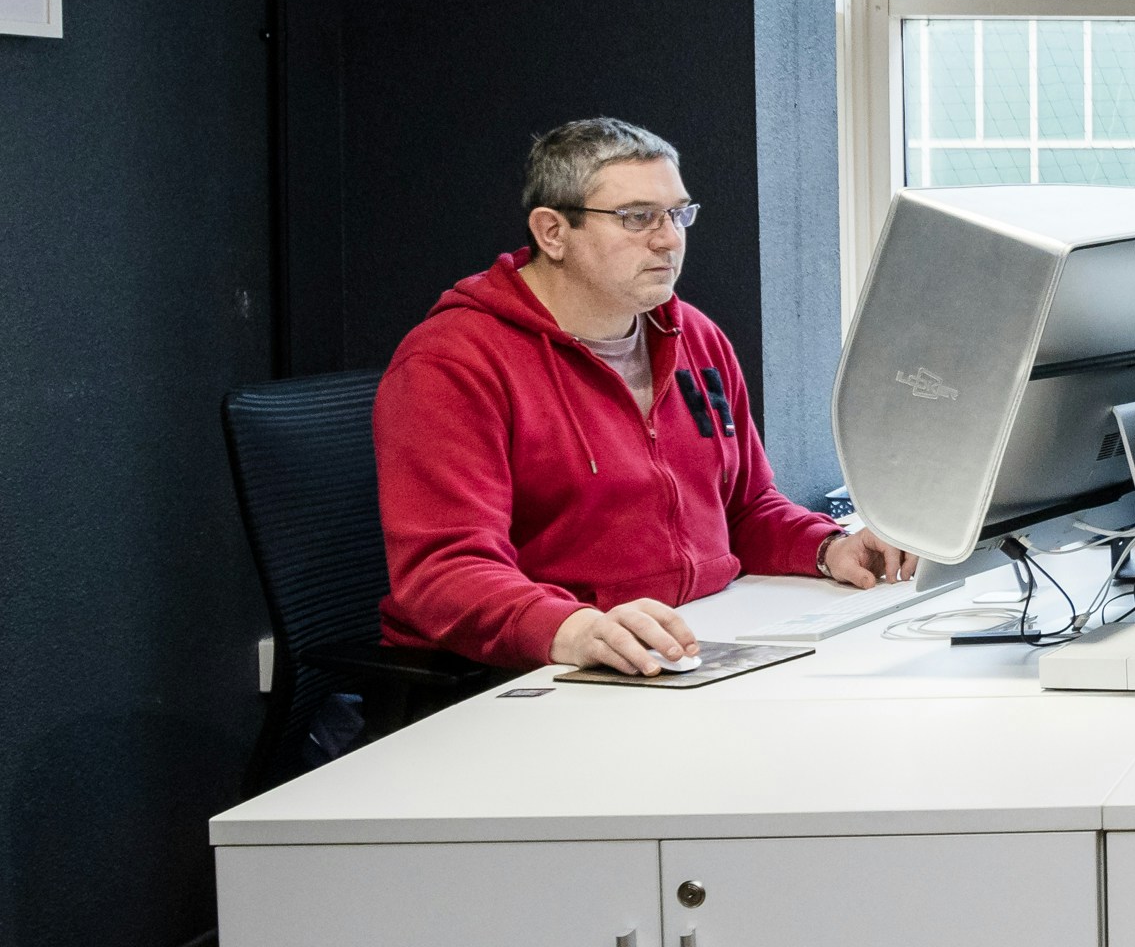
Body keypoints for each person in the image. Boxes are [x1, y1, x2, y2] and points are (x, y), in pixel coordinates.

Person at [378, 117, 916, 676]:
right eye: (637, 218)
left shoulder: (695, 337)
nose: (668, 238)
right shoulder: (452, 361)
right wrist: (574, 627)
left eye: (678, 213)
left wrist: (829, 550)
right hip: (529, 669)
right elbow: (443, 571)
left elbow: (746, 509)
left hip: (692, 638)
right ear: (553, 232)